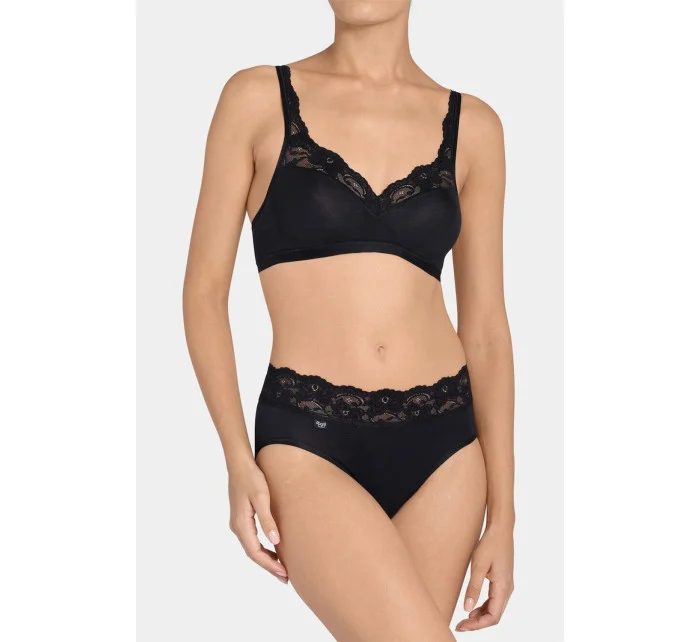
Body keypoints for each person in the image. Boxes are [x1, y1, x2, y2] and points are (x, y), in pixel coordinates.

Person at [183, 1, 514, 638]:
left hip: (446, 450)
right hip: (309, 440)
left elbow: (487, 331)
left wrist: (503, 515)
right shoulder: (256, 98)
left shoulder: (475, 126)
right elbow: (203, 295)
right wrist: (236, 458)